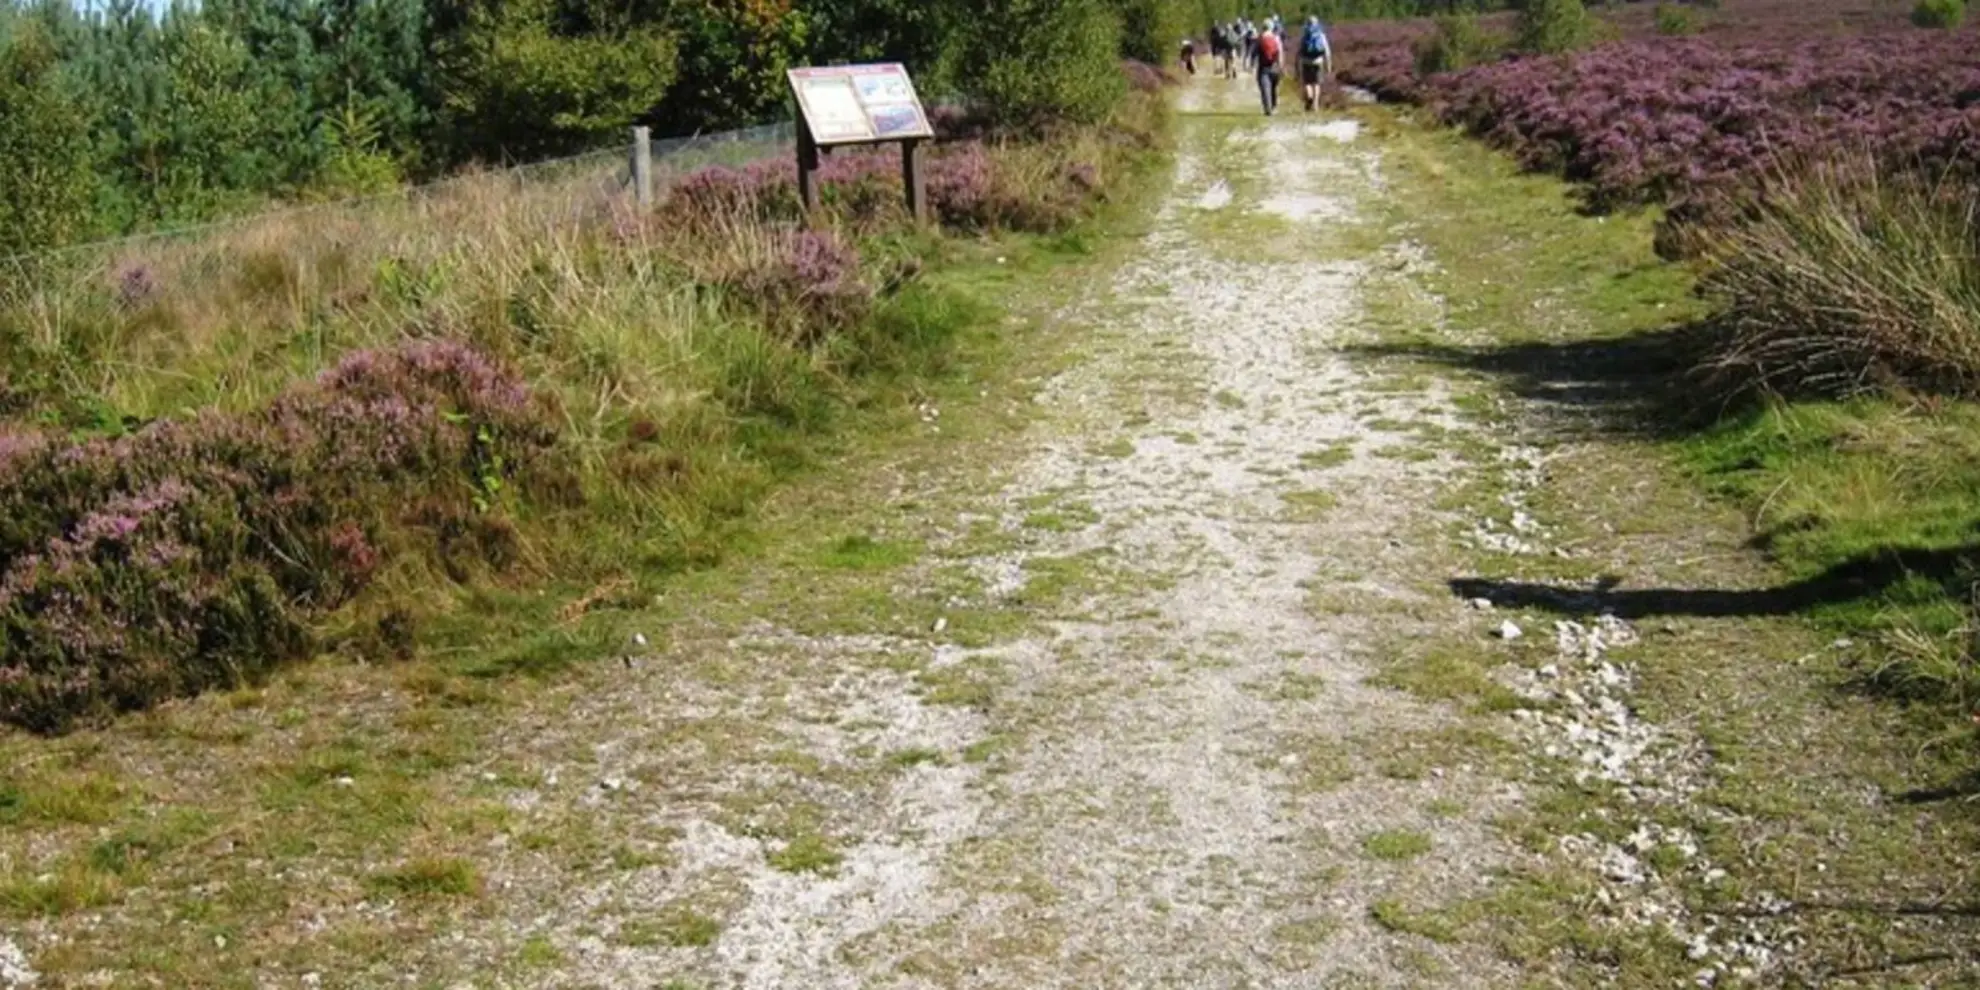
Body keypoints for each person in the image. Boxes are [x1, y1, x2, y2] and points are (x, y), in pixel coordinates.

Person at [1298, 15, 1333, 112]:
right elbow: (1327, 51)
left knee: (1307, 82)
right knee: (1317, 83)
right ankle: (1315, 104)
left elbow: (1300, 50)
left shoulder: (1305, 34)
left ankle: (1309, 97)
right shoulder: (1321, 35)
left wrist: (1297, 63)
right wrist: (1328, 65)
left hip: (1306, 61)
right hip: (1318, 62)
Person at [1255, 22, 1283, 116]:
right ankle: (1274, 106)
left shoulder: (1260, 38)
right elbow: (1280, 53)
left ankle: (1267, 108)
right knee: (1273, 88)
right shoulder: (1276, 38)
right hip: (1275, 66)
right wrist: (1281, 66)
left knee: (1265, 88)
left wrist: (1250, 64)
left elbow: (1254, 53)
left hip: (1263, 67)